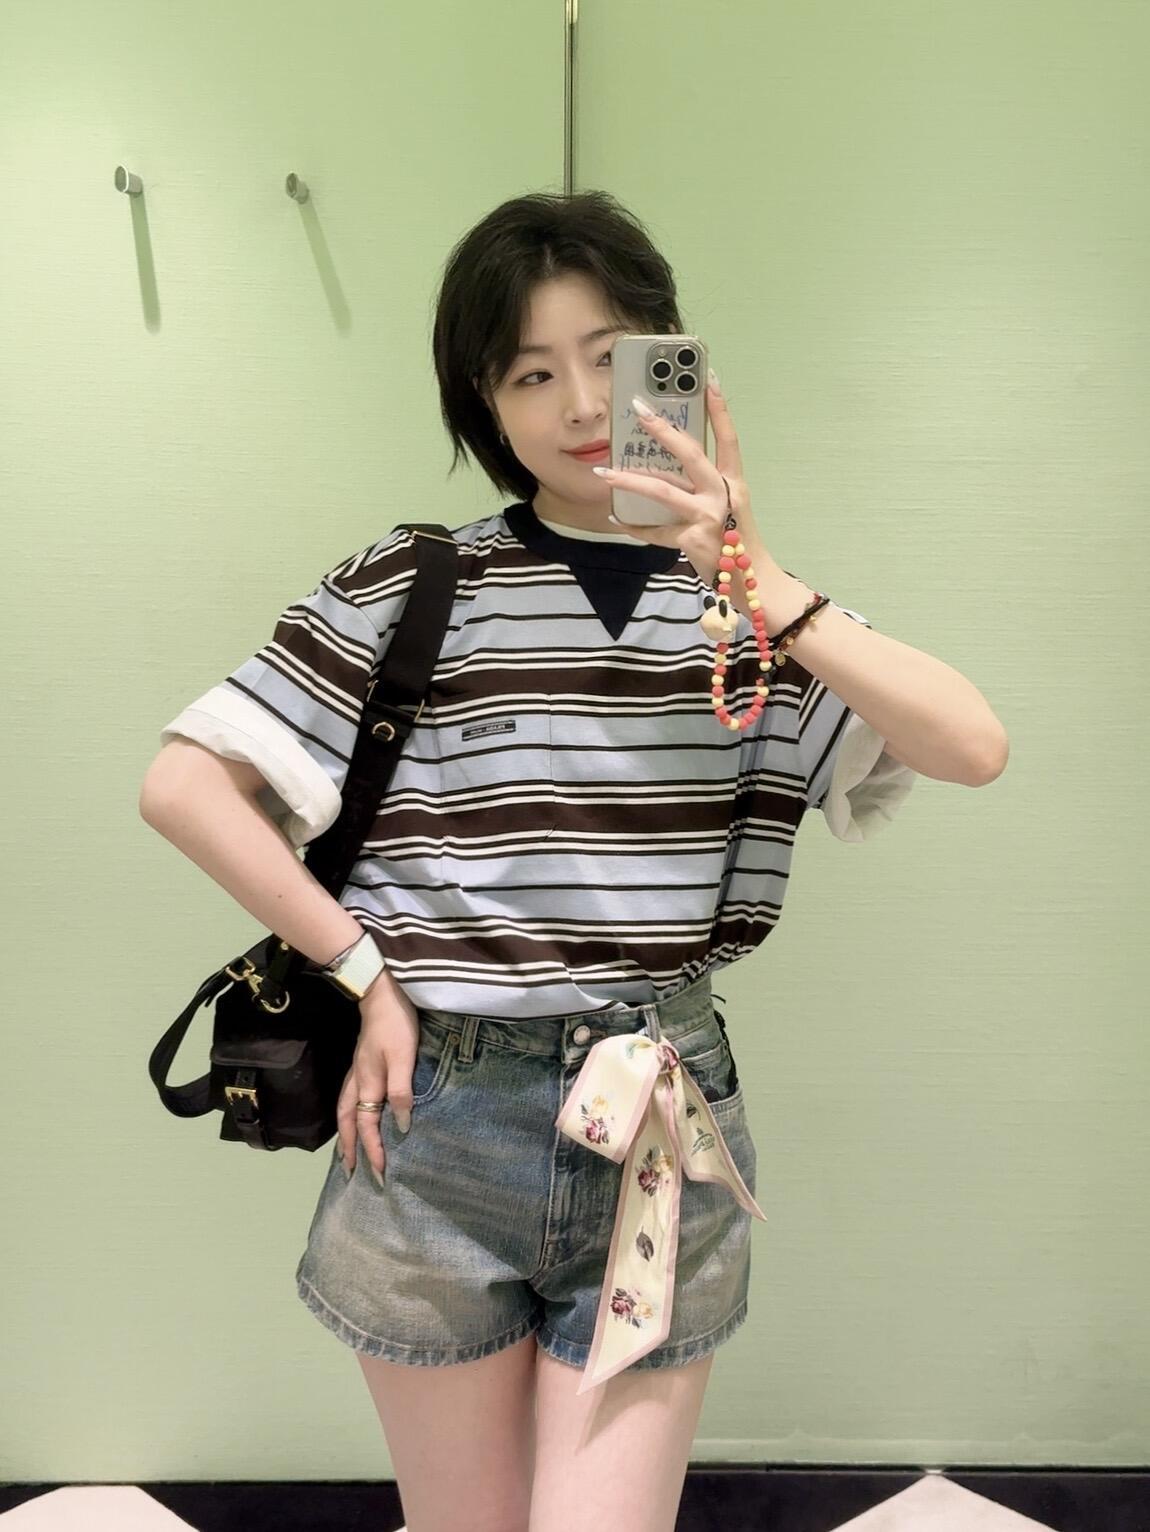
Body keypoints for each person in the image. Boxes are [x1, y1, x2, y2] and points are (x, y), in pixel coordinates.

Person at [139, 190, 986, 1532]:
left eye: (608, 355)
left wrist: (762, 584)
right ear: (484, 401)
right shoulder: (416, 583)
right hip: (435, 1122)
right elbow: (185, 787)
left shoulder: (750, 613)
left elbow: (970, 745)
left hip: (655, 1114)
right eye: (530, 373)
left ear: (672, 359)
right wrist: (362, 971)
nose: (581, 403)